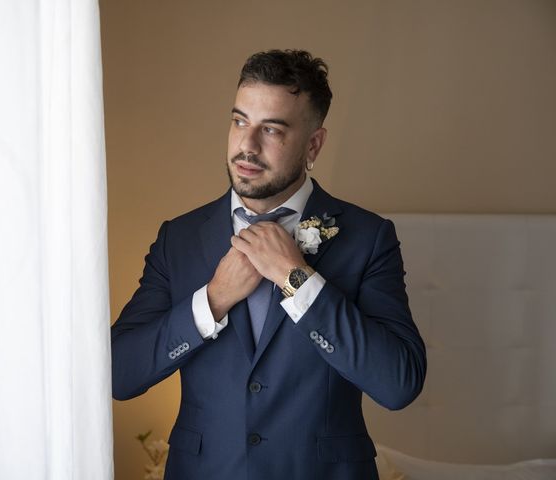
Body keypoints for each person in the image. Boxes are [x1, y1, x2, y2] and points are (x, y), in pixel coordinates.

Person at [111, 49, 426, 480]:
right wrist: (213, 300)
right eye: (239, 121)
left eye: (271, 130)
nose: (246, 145)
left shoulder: (368, 238)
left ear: (313, 144)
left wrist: (296, 278)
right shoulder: (178, 239)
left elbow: (398, 383)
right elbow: (119, 373)